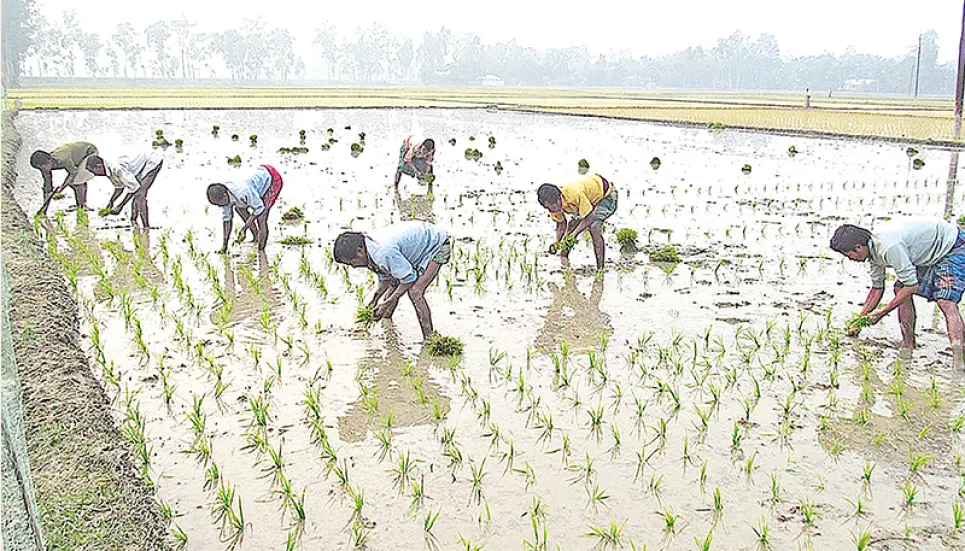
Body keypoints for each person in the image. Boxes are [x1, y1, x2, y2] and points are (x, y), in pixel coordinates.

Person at [830, 217, 965, 369]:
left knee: (946, 301)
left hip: (953, 246)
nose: (850, 259)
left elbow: (912, 286)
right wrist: (860, 321)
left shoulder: (889, 247)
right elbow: (877, 290)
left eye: (849, 255)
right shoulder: (873, 253)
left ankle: (959, 361)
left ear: (858, 247)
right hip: (930, 251)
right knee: (899, 288)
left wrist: (881, 313)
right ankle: (908, 344)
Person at [333, 221, 451, 340]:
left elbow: (409, 278)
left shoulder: (383, 253)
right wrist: (374, 300)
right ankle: (387, 325)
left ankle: (430, 338)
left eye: (351, 262)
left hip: (436, 244)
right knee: (392, 288)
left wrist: (387, 303)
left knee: (415, 292)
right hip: (418, 244)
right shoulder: (370, 248)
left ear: (359, 251)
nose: (353, 266)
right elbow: (385, 278)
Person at [537, 173, 619, 270]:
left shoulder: (575, 195)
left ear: (559, 199)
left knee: (594, 227)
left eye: (553, 206)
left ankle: (600, 270)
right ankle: (564, 261)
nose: (552, 210)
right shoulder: (553, 207)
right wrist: (557, 242)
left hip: (606, 195)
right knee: (572, 226)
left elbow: (590, 217)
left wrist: (575, 234)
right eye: (548, 208)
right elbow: (561, 224)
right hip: (589, 198)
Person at [206, 165, 284, 253]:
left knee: (261, 218)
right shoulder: (225, 200)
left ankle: (261, 252)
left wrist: (244, 228)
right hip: (256, 179)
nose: (220, 206)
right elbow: (227, 220)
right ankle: (256, 236)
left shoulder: (243, 192)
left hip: (272, 178)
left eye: (219, 204)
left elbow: (259, 207)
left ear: (224, 196)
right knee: (239, 209)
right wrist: (224, 246)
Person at [86, 150, 164, 227]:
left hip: (152, 160)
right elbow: (119, 187)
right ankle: (134, 222)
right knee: (137, 194)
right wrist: (111, 202)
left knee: (140, 195)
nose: (94, 175)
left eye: (93, 171)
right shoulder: (108, 171)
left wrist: (120, 205)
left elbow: (134, 187)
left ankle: (146, 227)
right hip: (139, 167)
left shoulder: (117, 168)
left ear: (99, 166)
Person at [30, 141, 99, 215]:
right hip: (77, 157)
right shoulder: (45, 168)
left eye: (43, 167)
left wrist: (62, 188)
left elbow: (73, 173)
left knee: (76, 182)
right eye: (40, 168)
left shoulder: (63, 159)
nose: (43, 170)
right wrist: (44, 209)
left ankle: (82, 206)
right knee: (78, 180)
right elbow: (47, 187)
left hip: (89, 152)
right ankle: (81, 204)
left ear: (49, 161)